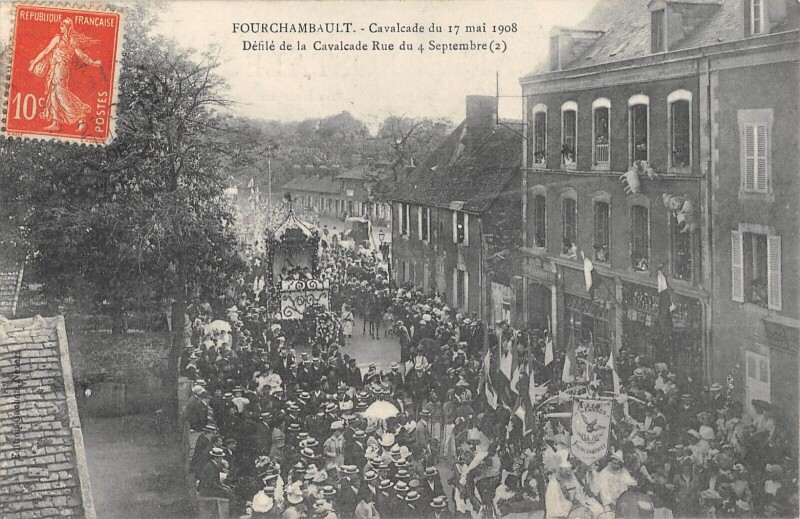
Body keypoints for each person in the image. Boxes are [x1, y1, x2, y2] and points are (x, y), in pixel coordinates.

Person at [28, 18, 103, 132]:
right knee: (56, 94)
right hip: (59, 69)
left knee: (59, 94)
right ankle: (57, 122)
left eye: (62, 26)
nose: (60, 28)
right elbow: (81, 55)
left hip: (59, 69)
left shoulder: (59, 38)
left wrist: (33, 64)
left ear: (67, 27)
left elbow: (46, 51)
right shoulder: (71, 40)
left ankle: (80, 115)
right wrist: (93, 62)